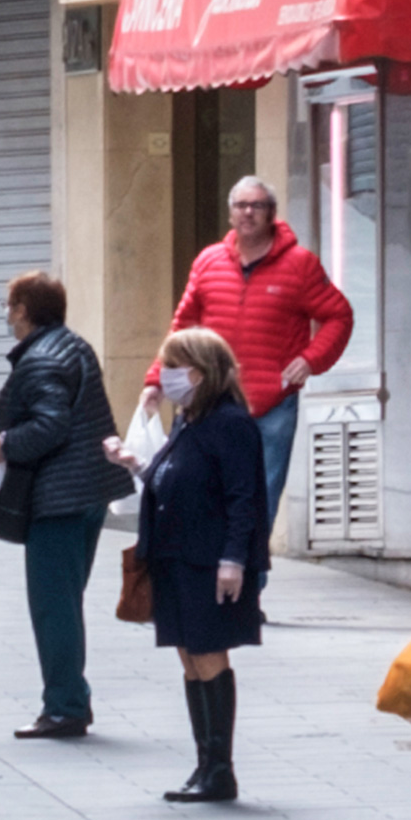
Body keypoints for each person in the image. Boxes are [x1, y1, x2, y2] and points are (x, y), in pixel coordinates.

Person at [140, 176, 352, 602]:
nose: (247, 213)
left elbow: (339, 316)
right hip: (207, 403)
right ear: (230, 211)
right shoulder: (208, 261)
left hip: (270, 406)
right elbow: (182, 327)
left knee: (259, 503)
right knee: (199, 493)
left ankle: (247, 594)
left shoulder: (300, 265)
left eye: (256, 205)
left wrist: (310, 361)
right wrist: (156, 379)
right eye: (240, 205)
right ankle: (206, 581)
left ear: (271, 213)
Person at [105, 328, 268, 803]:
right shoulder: (188, 420)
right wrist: (136, 464)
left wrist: (233, 559)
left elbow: (244, 499)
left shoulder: (230, 423)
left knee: (208, 652)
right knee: (188, 655)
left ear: (199, 372)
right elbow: (173, 476)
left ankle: (220, 769)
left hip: (208, 558)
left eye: (173, 367)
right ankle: (205, 765)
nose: (166, 377)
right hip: (175, 555)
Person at [0, 272, 134, 739]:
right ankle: (70, 700)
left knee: (53, 606)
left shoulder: (41, 359)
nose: (7, 314)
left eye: (10, 305)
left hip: (60, 497)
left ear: (25, 310)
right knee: (65, 602)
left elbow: (50, 425)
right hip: (87, 491)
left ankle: (66, 705)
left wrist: (6, 443)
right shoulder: (72, 345)